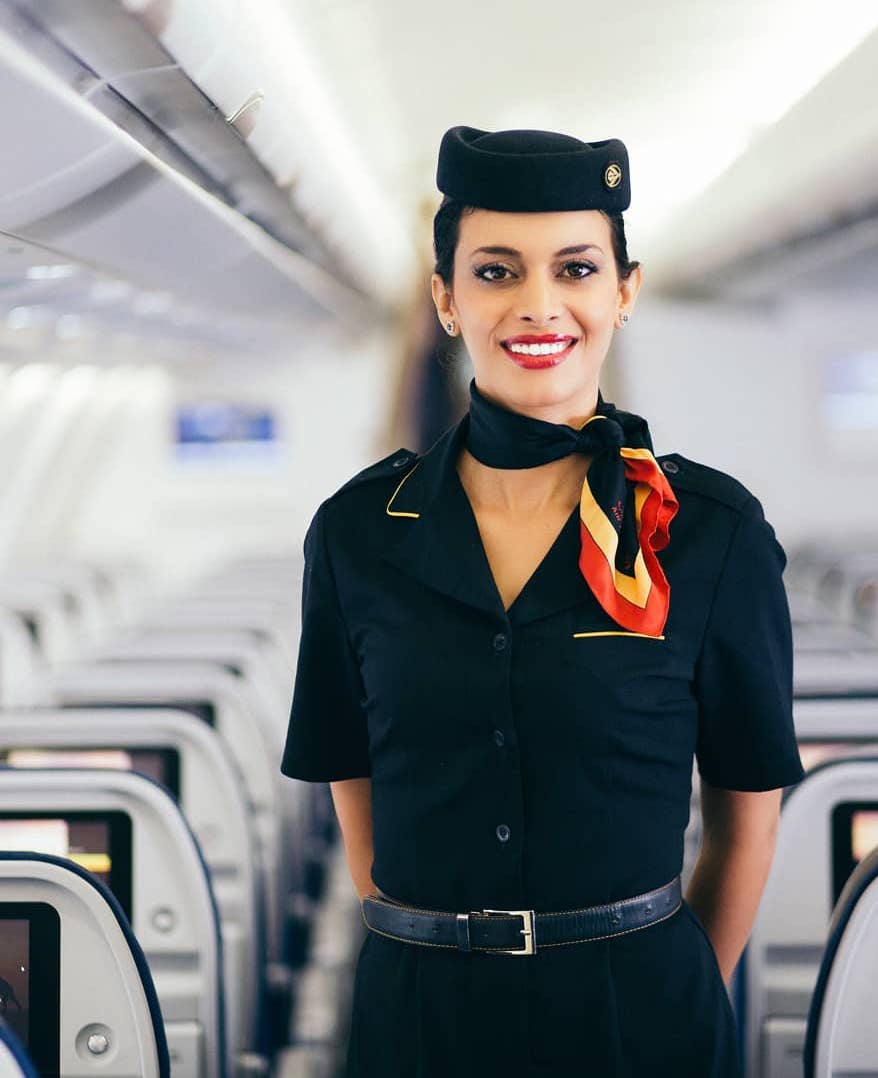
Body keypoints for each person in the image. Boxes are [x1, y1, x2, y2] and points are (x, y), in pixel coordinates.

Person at [280, 124, 805, 1077]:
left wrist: (669, 986)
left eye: (574, 268)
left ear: (623, 292)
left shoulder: (709, 531)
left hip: (640, 1014)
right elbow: (352, 783)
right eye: (494, 271)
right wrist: (429, 943)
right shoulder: (357, 532)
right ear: (445, 298)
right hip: (419, 1016)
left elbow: (747, 815)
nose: (538, 304)